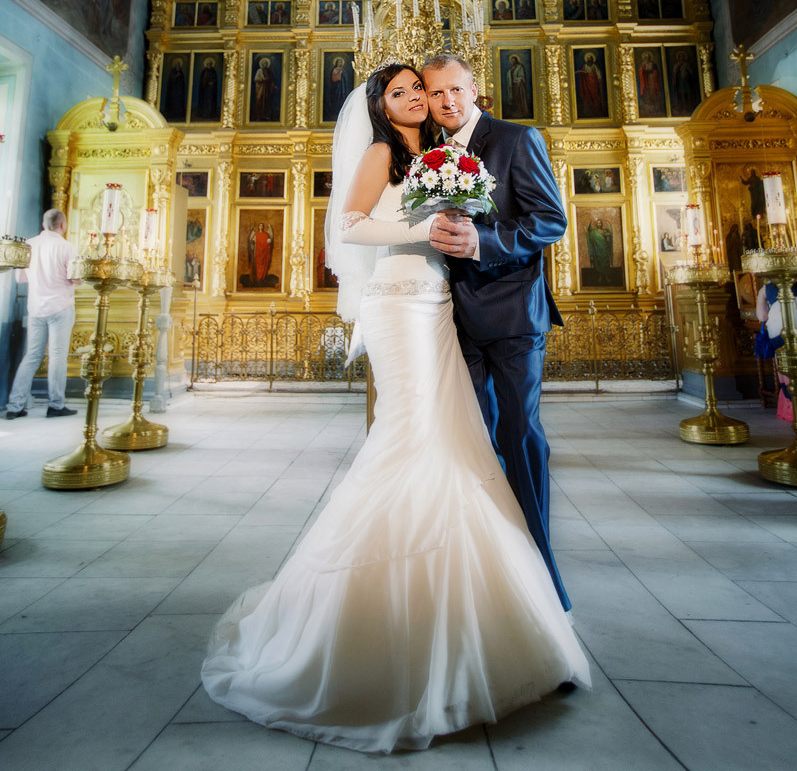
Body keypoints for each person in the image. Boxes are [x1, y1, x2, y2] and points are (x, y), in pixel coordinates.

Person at [202, 63, 590, 752]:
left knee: (475, 443)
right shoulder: (384, 152)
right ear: (381, 105)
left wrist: (468, 235)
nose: (423, 99)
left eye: (432, 90)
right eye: (407, 91)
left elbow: (542, 220)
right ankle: (383, 613)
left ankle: (505, 596)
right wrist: (422, 229)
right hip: (403, 307)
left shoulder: (470, 148)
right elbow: (350, 226)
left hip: (458, 310)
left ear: (471, 92)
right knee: (415, 440)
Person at [421, 54, 572, 612]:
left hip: (512, 317)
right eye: (436, 94)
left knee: (518, 435)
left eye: (455, 89)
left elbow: (549, 219)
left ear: (475, 87)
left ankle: (542, 571)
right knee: (471, 440)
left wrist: (486, 243)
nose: (447, 101)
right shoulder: (427, 157)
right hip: (454, 319)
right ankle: (486, 571)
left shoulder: (515, 139)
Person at [5, 209, 80, 419]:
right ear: (63, 225)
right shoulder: (66, 247)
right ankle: (56, 404)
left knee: (31, 356)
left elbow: (20, 278)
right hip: (60, 306)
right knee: (57, 357)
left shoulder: (29, 244)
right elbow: (76, 278)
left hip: (36, 307)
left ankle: (15, 406)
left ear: (44, 224)